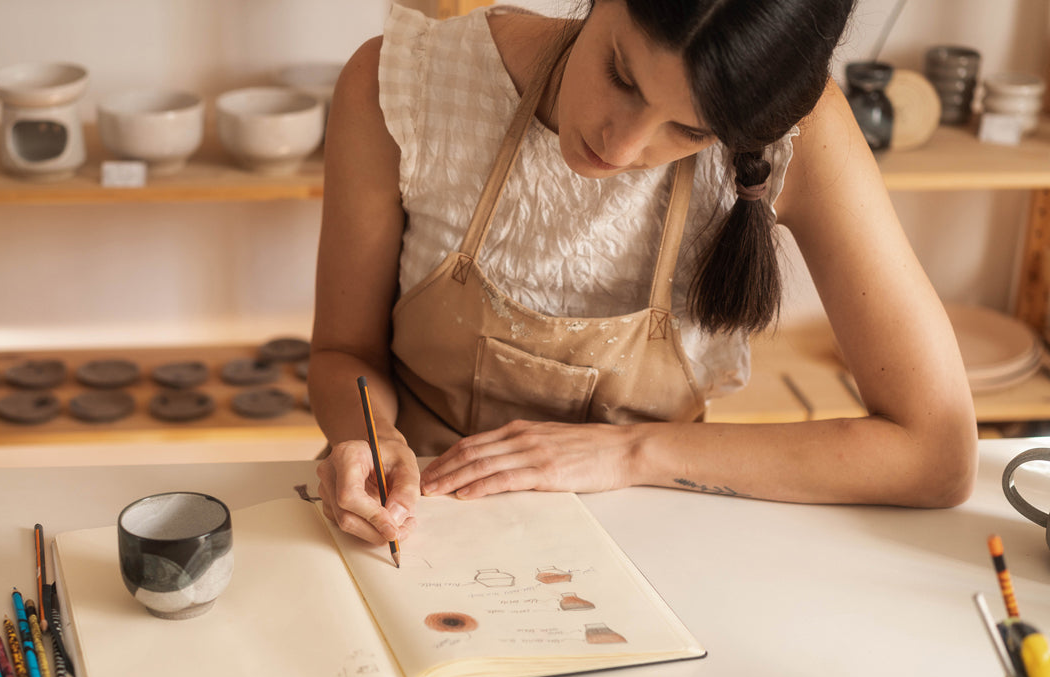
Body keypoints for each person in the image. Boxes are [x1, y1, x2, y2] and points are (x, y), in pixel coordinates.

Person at [308, 0, 978, 549]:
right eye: (623, 75)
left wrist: (631, 454)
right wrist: (365, 436)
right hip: (421, 527)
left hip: (658, 545)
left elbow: (937, 455)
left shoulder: (804, 137)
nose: (621, 145)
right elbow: (345, 356)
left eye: (688, 130)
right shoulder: (408, 82)